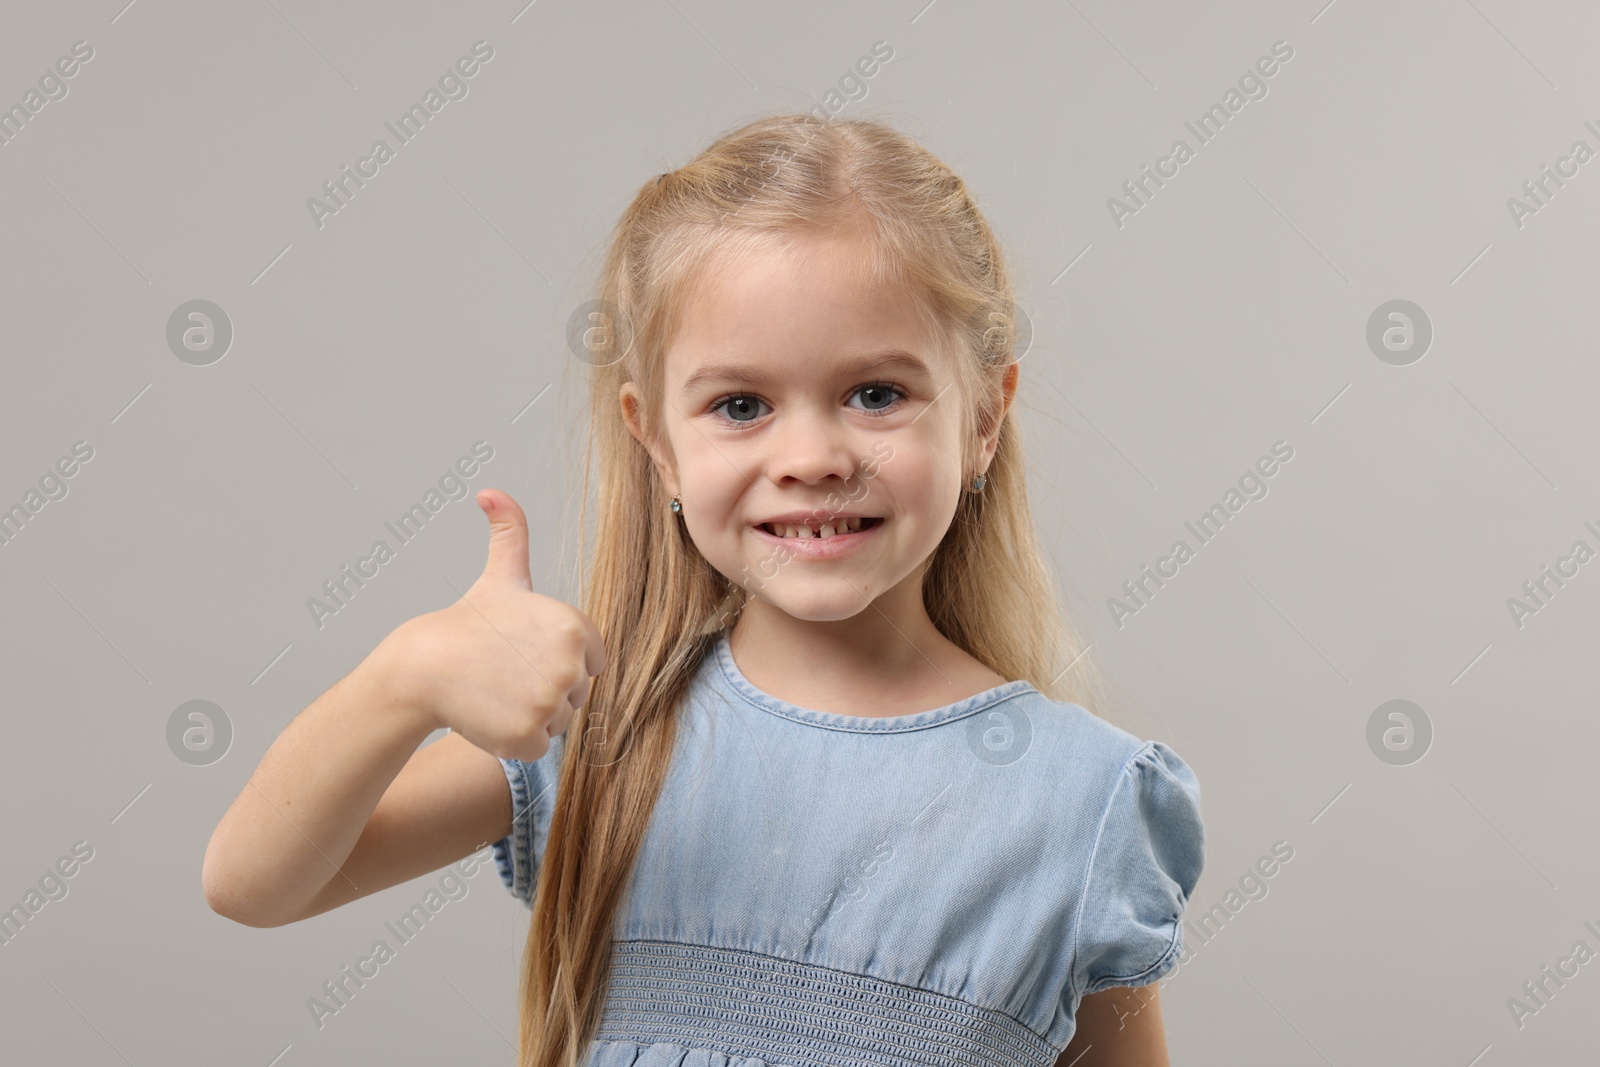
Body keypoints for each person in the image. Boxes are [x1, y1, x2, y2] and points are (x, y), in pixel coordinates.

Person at [202, 112, 1205, 1067]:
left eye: (876, 393)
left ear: (986, 415)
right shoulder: (603, 728)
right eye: (740, 404)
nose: (810, 455)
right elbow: (256, 883)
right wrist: (405, 676)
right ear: (658, 443)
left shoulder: (1086, 797)